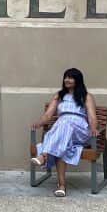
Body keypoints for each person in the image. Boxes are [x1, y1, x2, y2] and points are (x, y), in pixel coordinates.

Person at [29, 67, 98, 198]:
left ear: (77, 80)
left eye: (70, 77)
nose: (67, 79)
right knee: (62, 143)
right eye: (65, 77)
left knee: (64, 123)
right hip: (62, 132)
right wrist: (39, 122)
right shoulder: (59, 95)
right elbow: (48, 115)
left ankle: (43, 155)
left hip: (80, 131)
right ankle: (61, 186)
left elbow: (92, 117)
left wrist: (93, 128)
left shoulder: (86, 96)